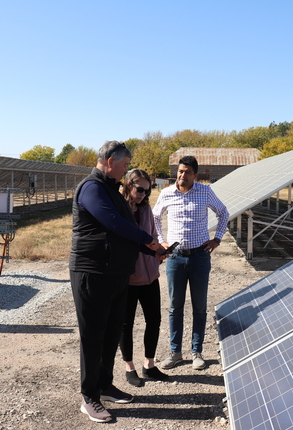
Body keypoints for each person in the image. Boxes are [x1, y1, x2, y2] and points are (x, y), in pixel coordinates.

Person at [69, 141, 160, 423]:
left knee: (111, 333)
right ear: (110, 162)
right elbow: (113, 223)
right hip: (93, 273)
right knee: (93, 336)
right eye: (123, 165)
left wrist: (153, 249)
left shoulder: (111, 189)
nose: (125, 171)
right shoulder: (92, 188)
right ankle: (90, 397)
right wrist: (148, 240)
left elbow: (127, 230)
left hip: (117, 274)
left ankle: (105, 385)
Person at [152, 155, 229, 370]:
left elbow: (223, 213)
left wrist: (217, 239)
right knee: (175, 306)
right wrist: (161, 241)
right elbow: (155, 216)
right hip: (175, 258)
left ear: (195, 175)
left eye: (187, 172)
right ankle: (175, 352)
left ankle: (197, 352)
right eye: (180, 171)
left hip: (200, 257)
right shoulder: (167, 193)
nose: (182, 175)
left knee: (199, 307)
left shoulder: (205, 192)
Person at [119, 169, 168, 387]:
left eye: (147, 192)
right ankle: (129, 367)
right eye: (140, 189)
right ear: (129, 184)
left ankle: (149, 365)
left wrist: (160, 252)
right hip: (128, 277)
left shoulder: (146, 208)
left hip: (150, 274)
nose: (143, 195)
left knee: (154, 320)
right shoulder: (118, 209)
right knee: (125, 324)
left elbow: (152, 236)